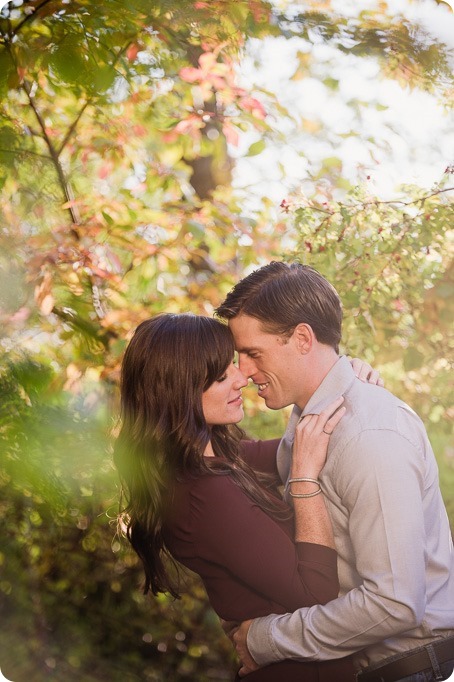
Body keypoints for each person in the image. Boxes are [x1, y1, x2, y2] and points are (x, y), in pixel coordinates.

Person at [215, 261, 454, 682]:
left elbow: (395, 603)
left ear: (303, 338)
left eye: (253, 353)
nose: (244, 371)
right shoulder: (310, 424)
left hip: (412, 670)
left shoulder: (370, 435)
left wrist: (266, 639)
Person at [114, 313, 380, 681]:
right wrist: (304, 480)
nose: (242, 378)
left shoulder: (219, 459)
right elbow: (316, 593)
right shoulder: (204, 495)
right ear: (181, 391)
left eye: (232, 366)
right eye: (223, 376)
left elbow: (300, 442)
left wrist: (344, 379)